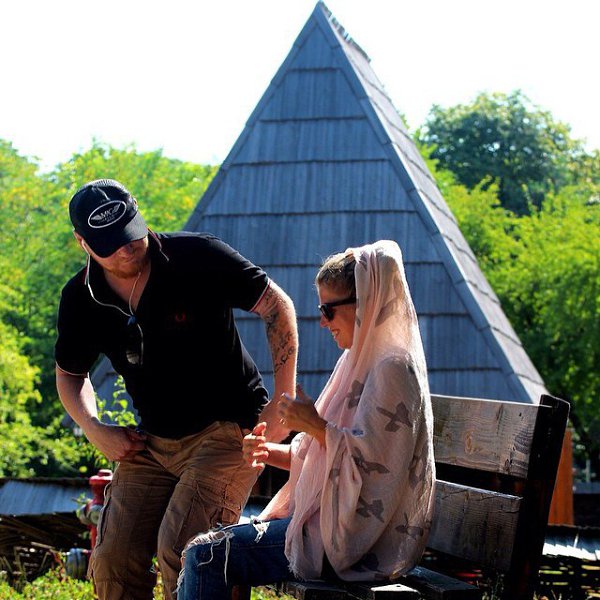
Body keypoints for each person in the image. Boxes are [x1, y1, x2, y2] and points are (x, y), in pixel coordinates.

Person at [54, 179, 298, 600]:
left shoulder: (198, 255)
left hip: (229, 430)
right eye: (111, 244)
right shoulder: (80, 297)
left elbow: (276, 304)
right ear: (83, 242)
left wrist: (282, 399)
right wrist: (94, 427)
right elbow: (70, 375)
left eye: (131, 233)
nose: (127, 248)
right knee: (112, 560)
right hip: (151, 440)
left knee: (186, 551)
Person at [178, 240, 435, 599]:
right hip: (330, 526)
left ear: (364, 302)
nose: (322, 321)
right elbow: (324, 458)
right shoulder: (358, 362)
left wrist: (314, 425)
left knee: (207, 555)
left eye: (328, 310)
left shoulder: (392, 368)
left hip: (355, 539)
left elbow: (377, 470)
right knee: (209, 552)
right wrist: (268, 451)